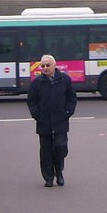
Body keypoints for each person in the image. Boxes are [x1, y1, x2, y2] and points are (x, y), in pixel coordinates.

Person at [27, 54, 77, 187]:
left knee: (60, 147)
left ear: (55, 65)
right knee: (46, 151)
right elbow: (32, 101)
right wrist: (36, 115)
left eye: (48, 65)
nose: (45, 68)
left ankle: (59, 172)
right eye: (42, 66)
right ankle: (49, 177)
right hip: (44, 122)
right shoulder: (37, 83)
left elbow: (72, 97)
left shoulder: (64, 79)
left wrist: (67, 112)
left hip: (60, 120)